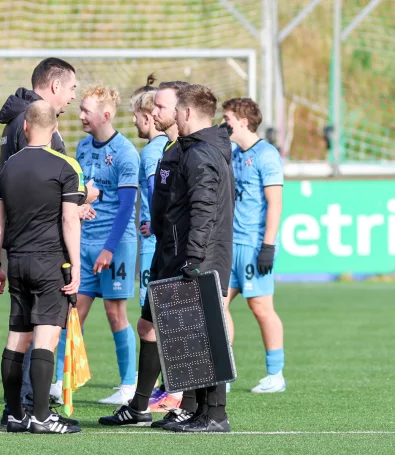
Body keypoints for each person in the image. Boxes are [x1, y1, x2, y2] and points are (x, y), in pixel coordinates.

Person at [99, 83, 235, 433]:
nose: (164, 113)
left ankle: (212, 414)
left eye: (168, 107)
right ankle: (195, 411)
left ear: (185, 112)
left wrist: (192, 256)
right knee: (188, 331)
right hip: (175, 252)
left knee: (203, 332)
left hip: (195, 255)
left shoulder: (200, 153)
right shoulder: (186, 149)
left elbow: (204, 210)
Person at [0, 58, 93, 428]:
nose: (72, 98)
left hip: (19, 249)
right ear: (54, 87)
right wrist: (75, 204)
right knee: (41, 334)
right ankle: (31, 411)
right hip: (44, 250)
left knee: (20, 332)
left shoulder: (16, 121)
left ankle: (19, 411)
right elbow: (42, 189)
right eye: (71, 90)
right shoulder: (35, 125)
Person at [50, 84, 140, 406]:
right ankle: (63, 381)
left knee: (116, 314)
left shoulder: (127, 153)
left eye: (86, 110)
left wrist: (108, 248)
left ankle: (129, 385)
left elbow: (127, 206)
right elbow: (78, 191)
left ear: (105, 114)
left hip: (115, 245)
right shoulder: (84, 147)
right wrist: (79, 206)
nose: (81, 114)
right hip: (84, 243)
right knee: (73, 312)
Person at [221, 98, 285, 393]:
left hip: (253, 243)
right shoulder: (233, 153)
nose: (224, 124)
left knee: (260, 307)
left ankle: (275, 374)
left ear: (243, 121)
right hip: (228, 244)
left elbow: (275, 203)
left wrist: (268, 246)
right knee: (218, 306)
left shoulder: (267, 155)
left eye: (228, 118)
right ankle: (224, 371)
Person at [130, 77, 183, 412]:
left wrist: (156, 224)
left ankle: (171, 391)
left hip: (157, 245)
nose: (134, 121)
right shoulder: (161, 148)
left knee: (159, 321)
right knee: (155, 321)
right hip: (158, 240)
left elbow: (155, 194)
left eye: (137, 115)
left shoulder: (154, 152)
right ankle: (167, 390)